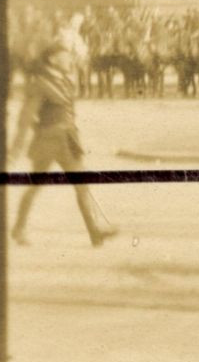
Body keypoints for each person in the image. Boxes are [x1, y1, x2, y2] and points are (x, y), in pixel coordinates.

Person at [8, 40, 118, 247]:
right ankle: (18, 228)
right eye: (66, 57)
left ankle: (95, 233)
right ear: (53, 60)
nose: (70, 60)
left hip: (68, 141)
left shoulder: (64, 81)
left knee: (82, 186)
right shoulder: (40, 84)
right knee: (35, 186)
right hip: (48, 142)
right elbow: (25, 117)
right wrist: (16, 148)